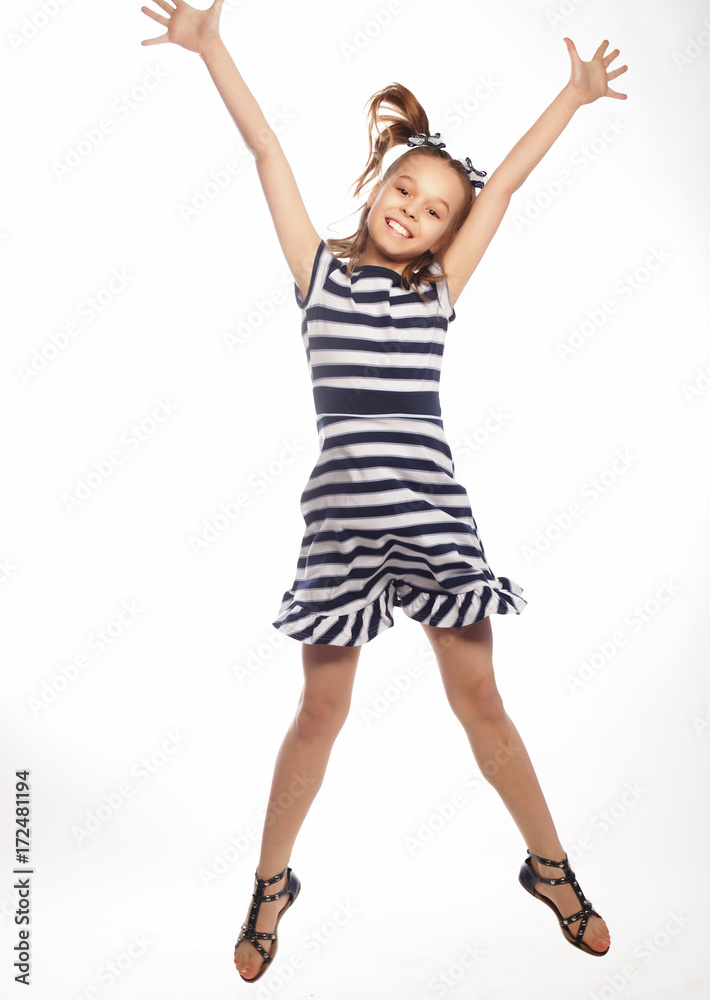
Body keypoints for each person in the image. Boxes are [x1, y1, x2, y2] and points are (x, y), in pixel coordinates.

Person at [140, 0, 627, 982]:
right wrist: (211, 49)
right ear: (377, 185)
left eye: (434, 208)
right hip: (339, 533)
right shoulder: (318, 275)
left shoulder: (433, 292)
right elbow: (268, 154)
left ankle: (549, 865)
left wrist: (569, 99)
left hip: (431, 517)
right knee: (319, 711)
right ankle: (272, 883)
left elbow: (509, 188)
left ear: (444, 235)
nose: (413, 207)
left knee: (479, 696)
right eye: (404, 188)